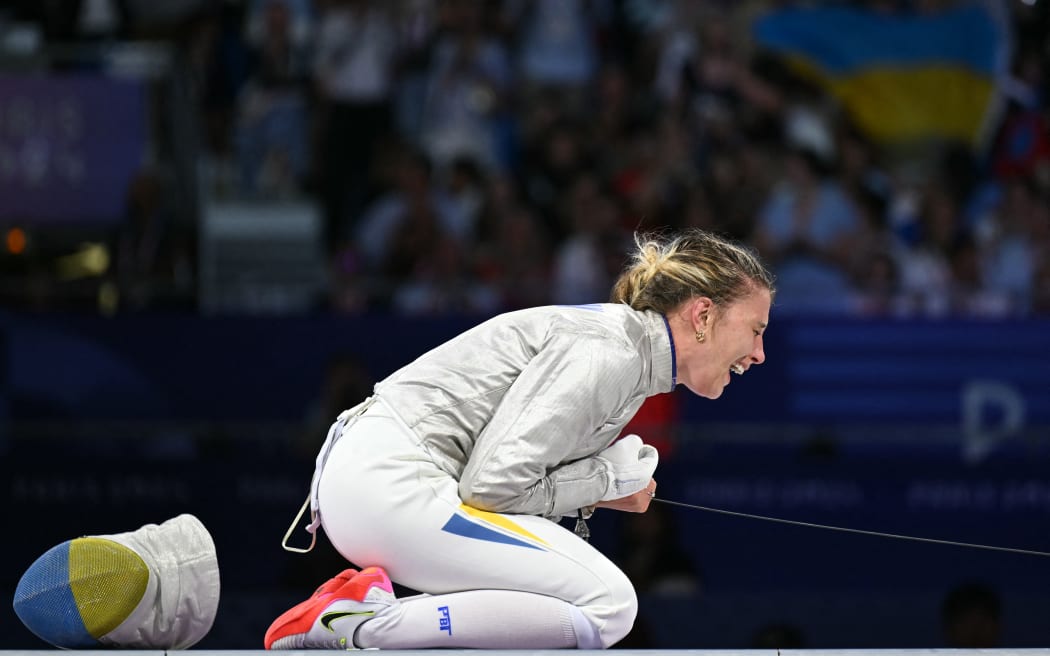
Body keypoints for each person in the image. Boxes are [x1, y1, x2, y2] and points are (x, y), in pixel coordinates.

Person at [265, 228, 774, 650]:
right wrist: (601, 483)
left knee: (582, 604)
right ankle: (360, 625)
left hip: (380, 485)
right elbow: (491, 487)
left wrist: (605, 487)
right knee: (610, 603)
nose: (759, 353)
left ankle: (362, 616)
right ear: (703, 315)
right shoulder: (610, 352)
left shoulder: (629, 356)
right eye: (754, 330)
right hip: (389, 481)